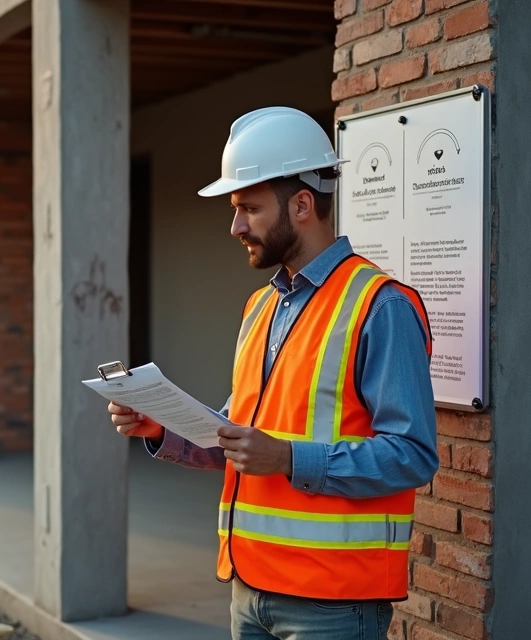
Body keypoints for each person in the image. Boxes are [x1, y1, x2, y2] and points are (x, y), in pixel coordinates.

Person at [108, 106, 438, 640]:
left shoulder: (381, 306)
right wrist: (162, 429)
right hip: (249, 587)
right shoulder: (261, 307)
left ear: (303, 205)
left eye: (249, 209)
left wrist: (285, 457)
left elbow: (413, 456)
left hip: (333, 603)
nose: (235, 226)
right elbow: (242, 436)